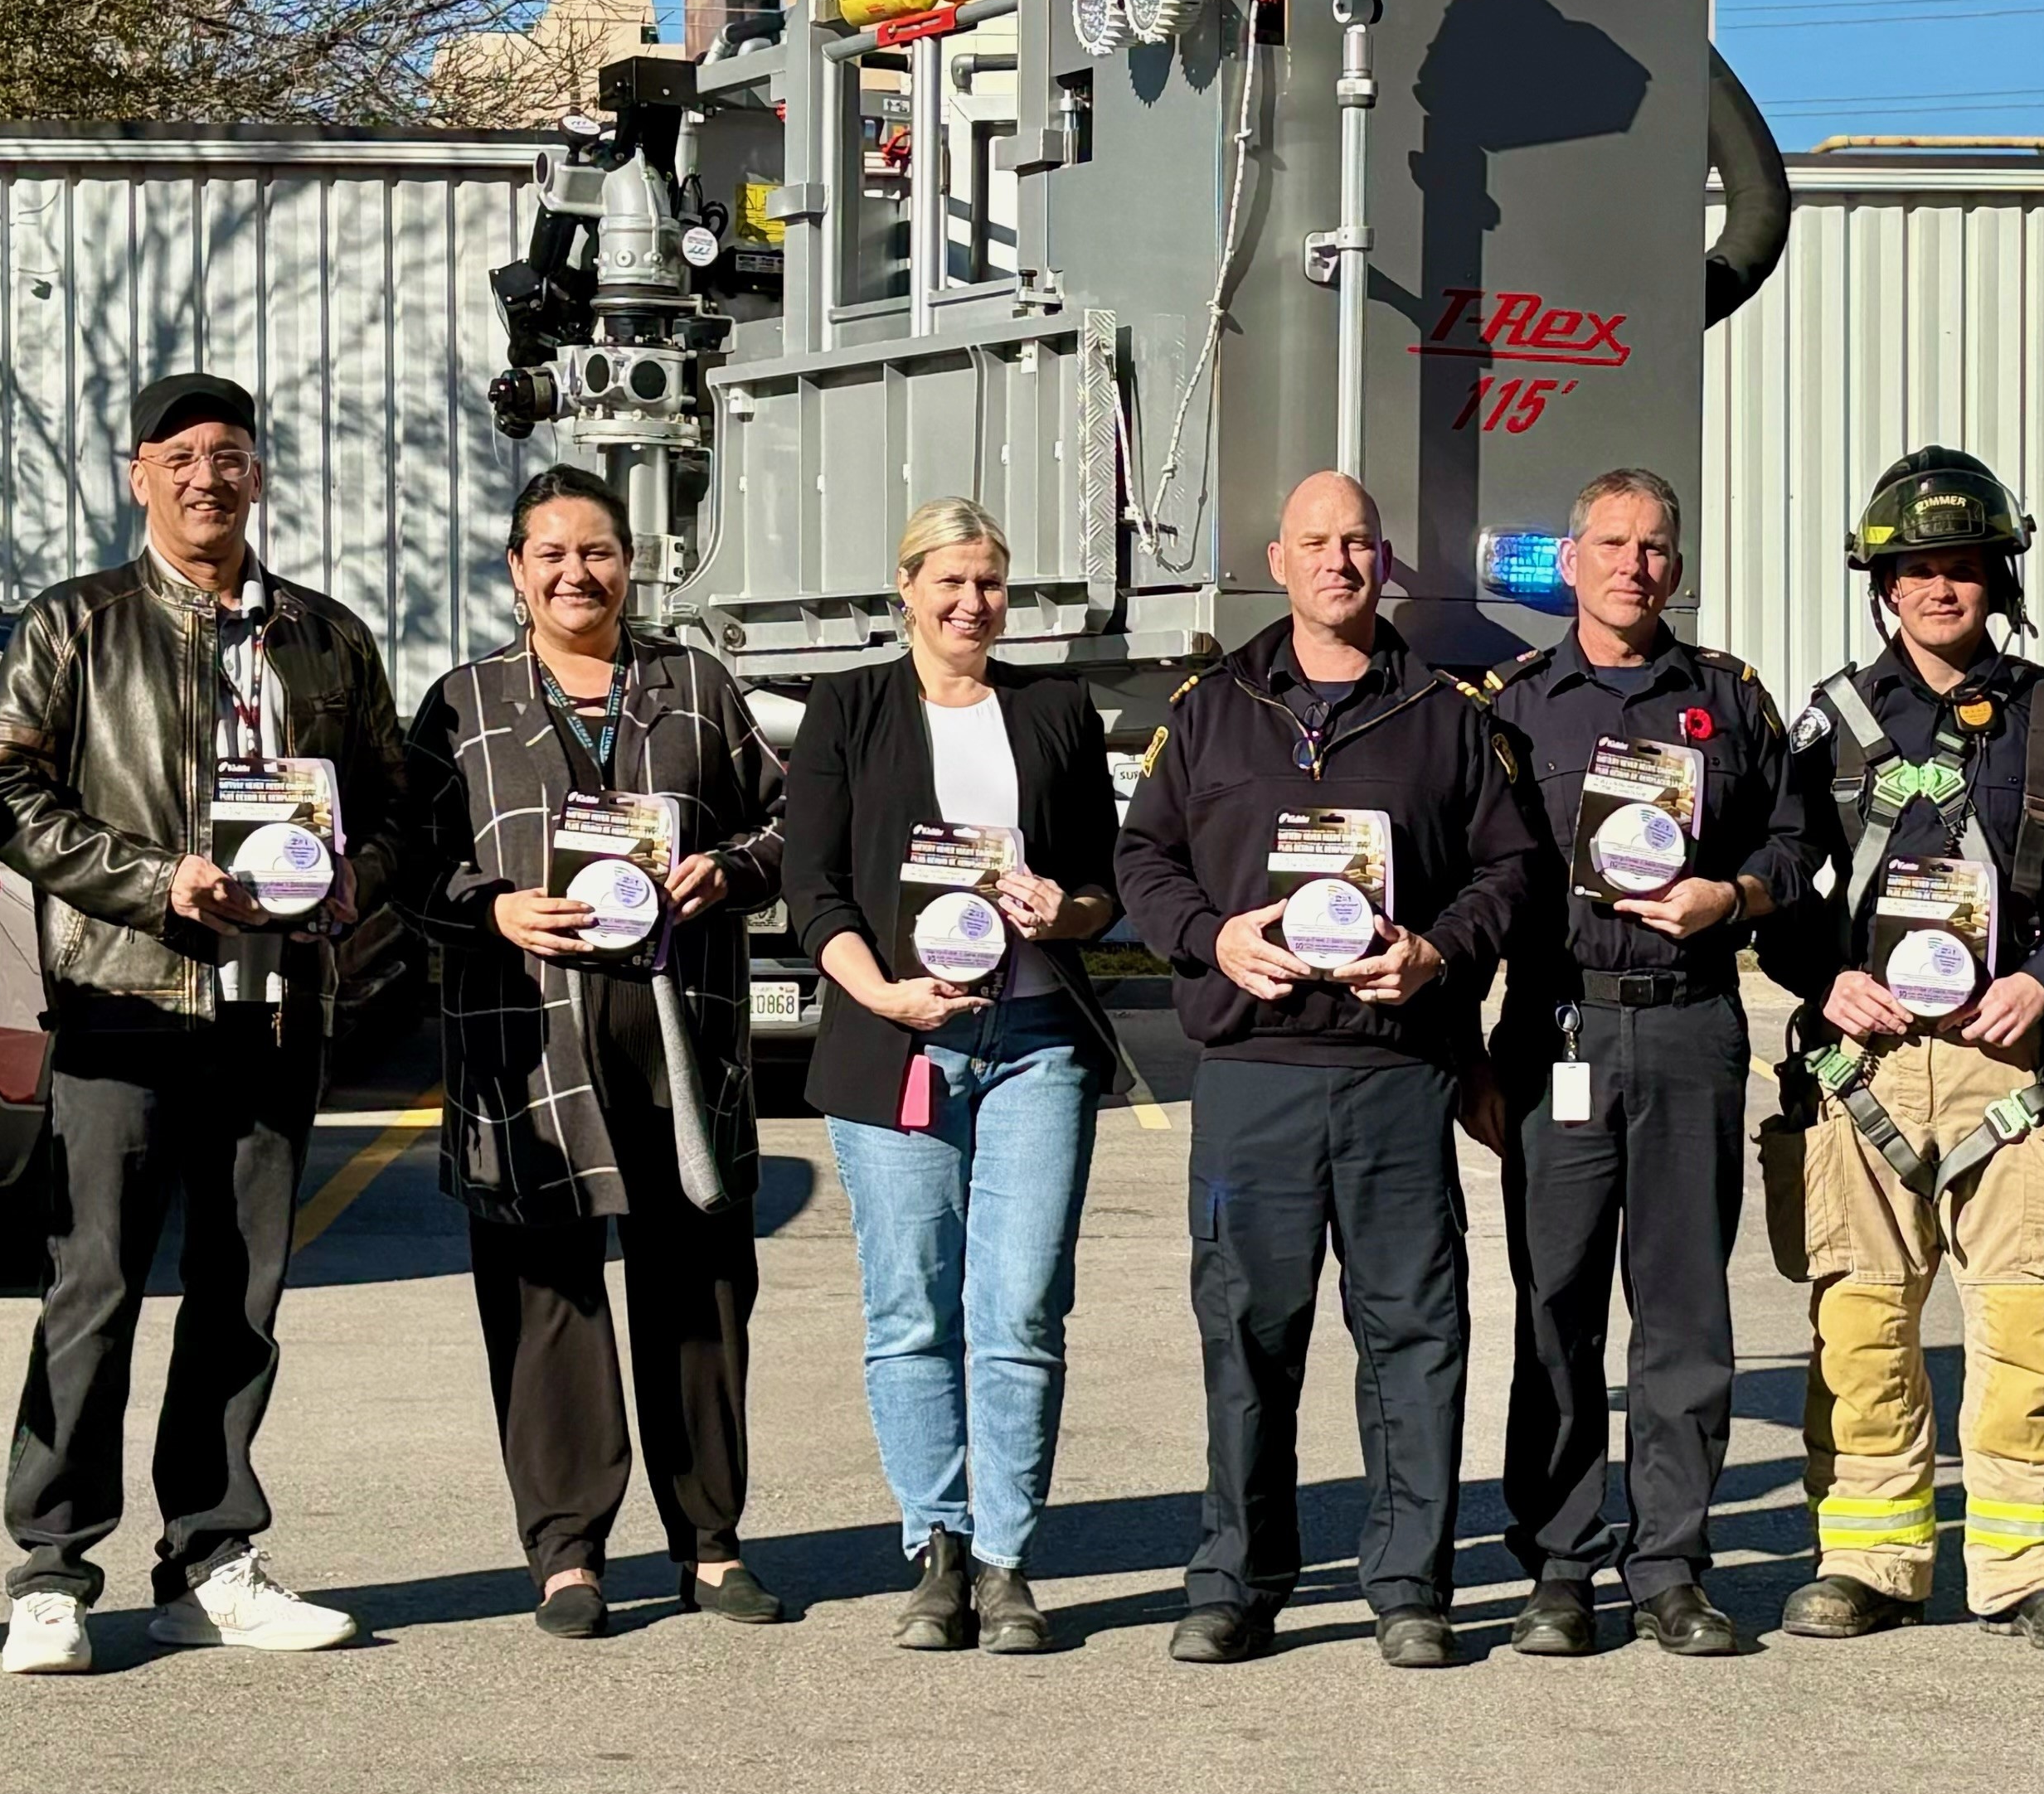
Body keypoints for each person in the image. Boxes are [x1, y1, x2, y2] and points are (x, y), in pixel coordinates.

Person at [0, 372, 407, 1671]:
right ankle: (51, 1570)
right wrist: (156, 880)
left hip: (279, 1011)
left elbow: (395, 810)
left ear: (259, 475)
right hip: (124, 996)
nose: (208, 477)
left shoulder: (327, 638)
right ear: (137, 475)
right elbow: (2, 793)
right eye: (181, 457)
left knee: (240, 1296)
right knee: (93, 1290)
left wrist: (341, 893)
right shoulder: (77, 625)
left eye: (231, 455)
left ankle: (210, 1556)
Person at [1114, 469, 1536, 1666]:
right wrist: (1213, 936)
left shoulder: (1447, 717)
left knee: (1414, 1331)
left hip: (1398, 1072)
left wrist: (1438, 952)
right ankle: (1236, 1583)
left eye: (1358, 543)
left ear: (1385, 563)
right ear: (1278, 557)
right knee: (1248, 1331)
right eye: (1317, 542)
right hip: (1254, 1075)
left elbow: (1508, 872)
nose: (1339, 562)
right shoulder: (1209, 710)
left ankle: (1410, 1586)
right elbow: (1145, 861)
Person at [1761, 447, 2044, 1649]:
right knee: (1862, 1318)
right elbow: (1779, 878)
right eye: (1916, 569)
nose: (1940, 590)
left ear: (1997, 580)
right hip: (1864, 1063)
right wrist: (1828, 981)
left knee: (2029, 1316)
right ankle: (1870, 1558)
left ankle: (2032, 1565)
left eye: (1963, 568)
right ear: (1881, 584)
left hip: (2008, 1061)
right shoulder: (1829, 722)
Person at [406, 465, 790, 1639]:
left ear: (634, 563)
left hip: (681, 1031)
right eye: (553, 554)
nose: (580, 572)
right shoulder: (462, 704)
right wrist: (491, 911)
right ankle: (568, 1553)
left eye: (601, 551)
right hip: (530, 1039)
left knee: (702, 1283)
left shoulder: (694, 684)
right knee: (545, 1290)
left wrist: (727, 869)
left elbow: (788, 818)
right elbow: (405, 863)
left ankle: (710, 1543)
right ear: (517, 571)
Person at [784, 503, 1124, 1654]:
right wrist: (879, 995)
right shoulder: (851, 708)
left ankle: (1007, 1556)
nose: (971, 601)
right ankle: (935, 1544)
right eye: (950, 580)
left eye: (990, 582)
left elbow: (1102, 889)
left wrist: (1061, 907)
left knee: (1020, 1306)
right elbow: (813, 886)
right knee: (911, 1309)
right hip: (901, 1044)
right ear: (907, 587)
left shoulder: (1054, 709)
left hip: (1032, 1046)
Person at [1480, 468, 1807, 1660]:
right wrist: (1470, 1051)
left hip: (1688, 1023)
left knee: (1684, 1313)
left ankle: (1670, 1564)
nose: (1634, 564)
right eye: (1611, 543)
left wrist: (1737, 890)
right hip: (1559, 1024)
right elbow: (1476, 872)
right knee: (1555, 1306)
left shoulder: (1725, 698)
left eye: (1655, 546)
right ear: (1569, 562)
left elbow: (1796, 834)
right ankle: (1559, 1566)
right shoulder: (1511, 707)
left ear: (1678, 564)